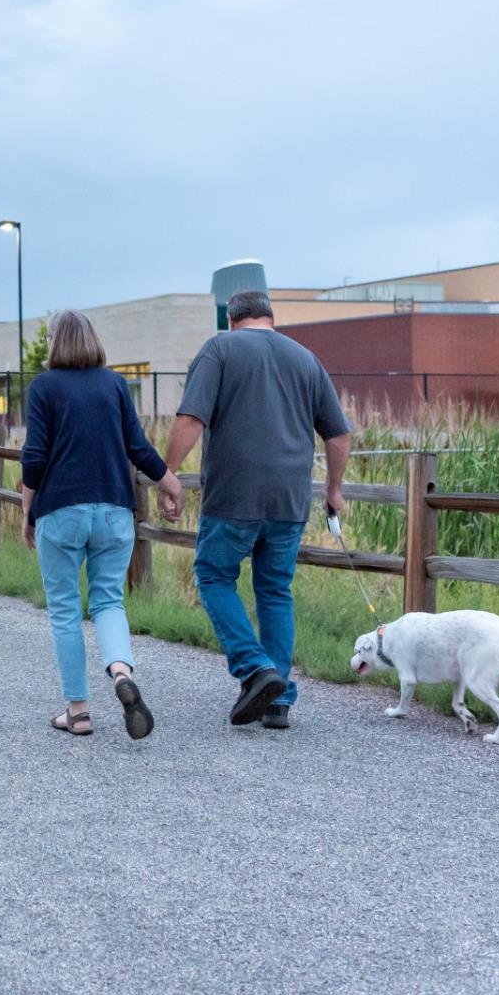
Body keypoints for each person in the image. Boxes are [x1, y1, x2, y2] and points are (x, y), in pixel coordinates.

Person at [158, 290, 352, 730]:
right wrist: (334, 490)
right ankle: (279, 697)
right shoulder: (305, 358)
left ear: (233, 318)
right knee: (274, 590)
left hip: (234, 495)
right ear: (269, 317)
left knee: (213, 576)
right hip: (290, 499)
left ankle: (253, 667)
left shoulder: (220, 348)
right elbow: (338, 436)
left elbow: (191, 418)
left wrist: (167, 472)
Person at [20, 309, 167, 740]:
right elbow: (137, 446)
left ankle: (79, 712)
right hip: (114, 511)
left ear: (54, 342)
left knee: (65, 610)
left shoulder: (43, 387)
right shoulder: (115, 384)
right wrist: (169, 482)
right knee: (108, 603)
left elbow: (35, 458)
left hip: (61, 510)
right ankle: (121, 673)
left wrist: (28, 512)